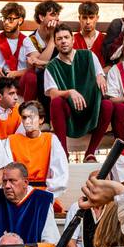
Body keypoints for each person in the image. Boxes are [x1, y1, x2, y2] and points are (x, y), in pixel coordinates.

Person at [44, 25, 112, 159]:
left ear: (73, 39)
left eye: (66, 37)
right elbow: (52, 93)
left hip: (91, 109)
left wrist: (100, 76)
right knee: (56, 102)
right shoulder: (51, 66)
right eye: (59, 39)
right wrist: (69, 92)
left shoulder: (88, 55)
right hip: (70, 115)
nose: (63, 41)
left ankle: (90, 152)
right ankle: (63, 152)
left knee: (108, 105)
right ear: (55, 43)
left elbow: (100, 75)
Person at [6, 101, 68, 197]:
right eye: (24, 117)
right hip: (18, 195)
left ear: (41, 119)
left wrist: (46, 197)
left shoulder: (51, 140)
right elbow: (6, 174)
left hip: (44, 195)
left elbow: (61, 176)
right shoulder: (10, 141)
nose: (27, 121)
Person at [0, 2, 40, 104]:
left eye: (10, 19)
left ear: (20, 20)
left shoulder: (26, 41)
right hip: (0, 80)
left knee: (31, 76)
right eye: (4, 18)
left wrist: (15, 73)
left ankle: (27, 110)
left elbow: (34, 65)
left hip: (19, 81)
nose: (6, 22)